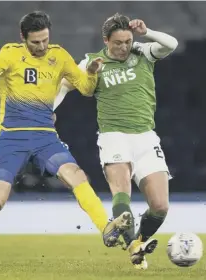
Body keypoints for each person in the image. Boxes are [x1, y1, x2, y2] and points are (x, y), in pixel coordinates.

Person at [0, 11, 132, 270]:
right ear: (23, 38)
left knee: (77, 176)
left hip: (45, 136)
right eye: (35, 42)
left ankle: (106, 228)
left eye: (45, 40)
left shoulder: (59, 56)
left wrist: (90, 72)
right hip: (11, 138)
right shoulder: (9, 54)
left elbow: (87, 90)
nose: (42, 46)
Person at [54, 13, 178, 270]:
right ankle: (133, 247)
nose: (124, 47)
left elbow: (171, 44)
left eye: (127, 41)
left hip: (146, 137)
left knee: (160, 206)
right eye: (118, 42)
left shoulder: (142, 52)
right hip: (114, 136)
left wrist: (148, 32)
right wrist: (48, 111)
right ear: (105, 41)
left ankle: (139, 244)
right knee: (123, 201)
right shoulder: (92, 62)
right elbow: (65, 84)